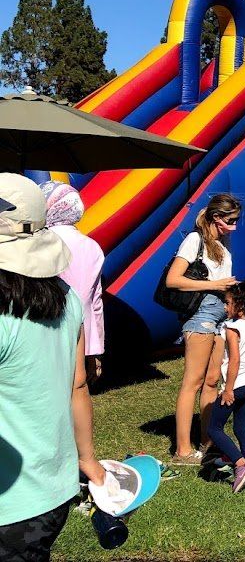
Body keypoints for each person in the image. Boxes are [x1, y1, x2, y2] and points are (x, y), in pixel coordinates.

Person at [0, 174, 106, 561]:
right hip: (53, 493)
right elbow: (78, 386)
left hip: (9, 501)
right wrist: (87, 459)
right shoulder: (66, 297)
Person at [167, 193, 245, 465]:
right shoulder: (195, 240)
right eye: (231, 221)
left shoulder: (223, 244)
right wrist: (215, 285)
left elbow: (221, 280)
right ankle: (182, 450)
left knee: (213, 380)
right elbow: (173, 280)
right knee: (192, 382)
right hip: (202, 313)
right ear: (217, 218)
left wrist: (243, 285)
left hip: (221, 313)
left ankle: (208, 441)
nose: (235, 227)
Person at [207, 282, 245, 494]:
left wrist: (228, 389)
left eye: (228, 303)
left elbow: (234, 360)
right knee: (240, 428)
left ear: (240, 305)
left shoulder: (232, 328)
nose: (225, 307)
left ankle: (241, 464)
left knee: (214, 428)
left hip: (236, 385)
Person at [41, 181, 105, 382]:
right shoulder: (92, 246)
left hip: (46, 326)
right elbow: (95, 302)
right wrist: (95, 351)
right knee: (78, 387)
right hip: (80, 331)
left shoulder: (39, 242)